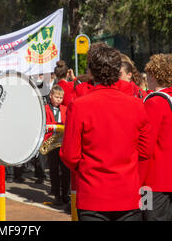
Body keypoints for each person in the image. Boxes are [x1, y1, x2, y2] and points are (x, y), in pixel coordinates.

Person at [59, 46, 153, 221]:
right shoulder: (137, 105)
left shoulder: (79, 106)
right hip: (128, 193)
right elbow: (145, 151)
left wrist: (87, 169)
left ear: (91, 73)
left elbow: (70, 155)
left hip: (92, 193)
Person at [140, 54, 172, 221]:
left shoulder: (154, 102)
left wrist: (139, 179)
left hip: (152, 180)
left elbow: (146, 146)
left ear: (154, 75)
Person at [44, 85, 69, 206]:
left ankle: (65, 194)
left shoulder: (65, 109)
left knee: (65, 170)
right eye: (57, 97)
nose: (59, 99)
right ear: (51, 96)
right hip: (51, 142)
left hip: (63, 143)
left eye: (61, 97)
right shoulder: (45, 108)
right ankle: (56, 195)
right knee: (54, 170)